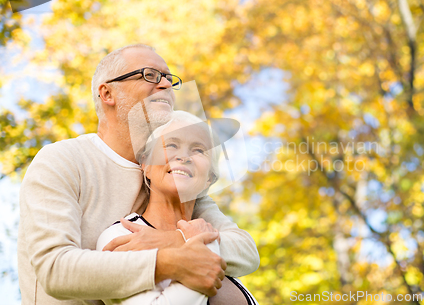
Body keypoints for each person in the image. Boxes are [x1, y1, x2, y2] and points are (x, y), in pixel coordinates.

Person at [17, 44, 259, 304]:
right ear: (107, 93)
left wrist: (174, 240)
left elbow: (244, 250)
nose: (166, 84)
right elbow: (55, 270)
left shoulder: (171, 176)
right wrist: (168, 261)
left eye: (169, 78)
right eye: (150, 75)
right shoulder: (64, 160)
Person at [96, 110, 258, 305]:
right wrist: (202, 247)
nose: (184, 156)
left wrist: (188, 240)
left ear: (209, 179)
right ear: (145, 165)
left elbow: (249, 254)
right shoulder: (123, 235)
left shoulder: (209, 232)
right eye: (171, 145)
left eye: (198, 150)